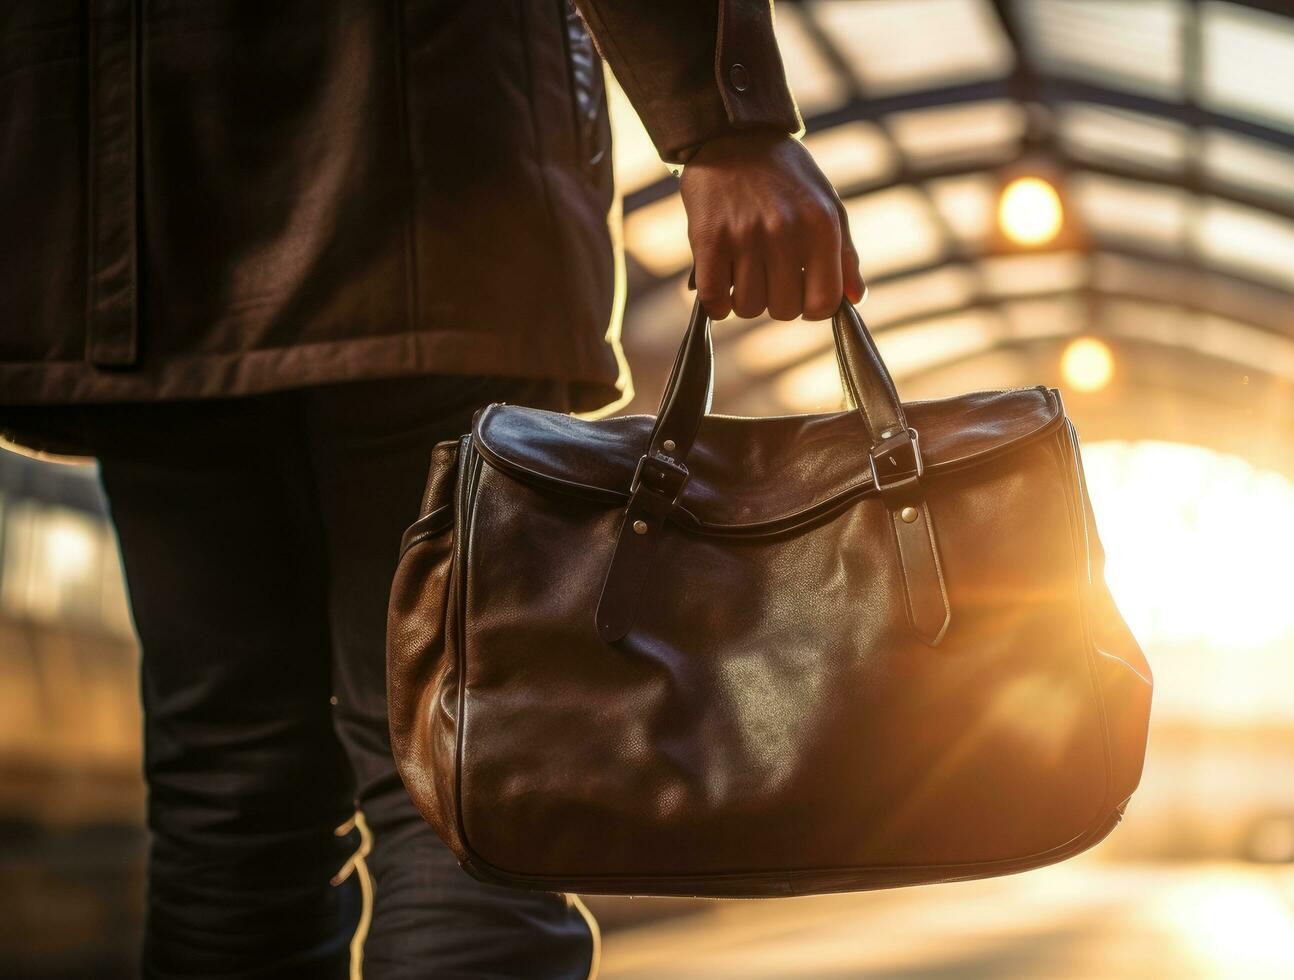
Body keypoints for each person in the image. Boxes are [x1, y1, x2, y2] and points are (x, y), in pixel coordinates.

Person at [0, 2, 861, 976]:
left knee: (228, 799)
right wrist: (725, 120)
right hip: (440, 188)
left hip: (135, 224)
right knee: (463, 779)